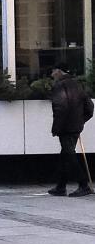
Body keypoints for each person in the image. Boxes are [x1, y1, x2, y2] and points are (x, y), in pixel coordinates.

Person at [49, 63, 94, 197]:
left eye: (53, 70)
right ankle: (61, 186)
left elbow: (60, 108)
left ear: (59, 72)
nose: (51, 74)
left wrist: (56, 128)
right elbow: (89, 107)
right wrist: (81, 120)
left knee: (69, 154)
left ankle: (83, 184)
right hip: (75, 126)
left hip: (66, 127)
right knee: (66, 155)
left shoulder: (59, 86)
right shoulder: (77, 84)